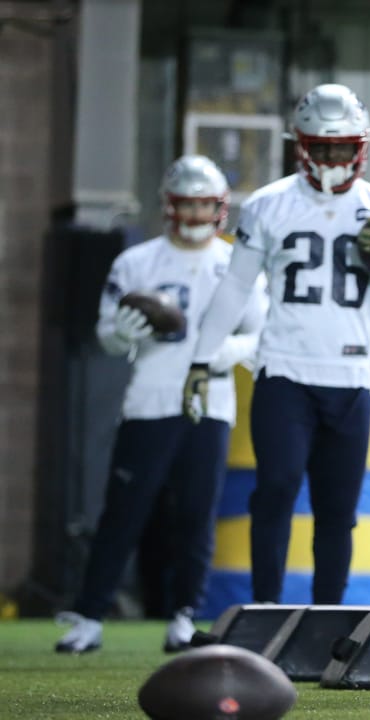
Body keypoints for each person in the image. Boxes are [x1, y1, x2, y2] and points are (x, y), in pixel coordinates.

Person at [182, 83, 370, 605]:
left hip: (350, 379)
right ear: (301, 144)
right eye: (322, 147)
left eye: (343, 147)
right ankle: (267, 610)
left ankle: (327, 615)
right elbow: (235, 287)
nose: (334, 158)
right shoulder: (270, 205)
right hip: (285, 373)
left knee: (338, 509)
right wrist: (202, 359)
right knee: (275, 492)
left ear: (361, 146)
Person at [56, 155, 267, 653]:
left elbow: (261, 335)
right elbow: (107, 333)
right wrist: (121, 334)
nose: (194, 215)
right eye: (186, 205)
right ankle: (90, 614)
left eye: (203, 205)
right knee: (124, 513)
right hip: (149, 399)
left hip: (210, 403)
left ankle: (183, 613)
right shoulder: (137, 261)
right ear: (169, 207)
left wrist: (221, 354)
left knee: (196, 514)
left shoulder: (236, 261)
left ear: (219, 208)